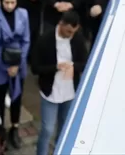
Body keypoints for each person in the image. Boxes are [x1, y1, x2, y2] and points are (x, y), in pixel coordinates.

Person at [32, 11, 86, 155]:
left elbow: (84, 62)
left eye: (73, 32)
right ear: (61, 24)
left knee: (64, 126)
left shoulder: (77, 39)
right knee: (47, 129)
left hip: (70, 90)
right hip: (51, 90)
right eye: (68, 31)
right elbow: (35, 68)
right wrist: (55, 67)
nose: (71, 35)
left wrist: (74, 66)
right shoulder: (45, 40)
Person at [0, 0, 28, 148]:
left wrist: (17, 64)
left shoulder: (24, 14)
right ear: (1, 1)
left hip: (18, 63)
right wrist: (6, 66)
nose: (10, 6)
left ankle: (14, 129)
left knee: (16, 98)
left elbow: (27, 40)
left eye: (13, 2)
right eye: (6, 2)